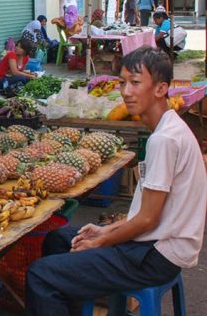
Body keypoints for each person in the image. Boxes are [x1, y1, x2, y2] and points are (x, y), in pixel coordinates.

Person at [26, 47, 206, 315]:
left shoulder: (164, 140)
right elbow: (151, 216)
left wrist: (101, 241)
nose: (126, 91)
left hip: (156, 255)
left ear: (160, 89)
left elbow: (148, 220)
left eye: (135, 83)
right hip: (157, 243)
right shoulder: (170, 127)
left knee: (40, 275)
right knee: (58, 239)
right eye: (123, 82)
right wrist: (103, 232)